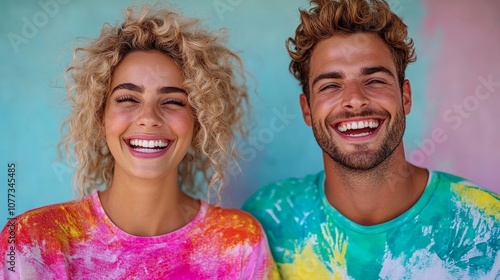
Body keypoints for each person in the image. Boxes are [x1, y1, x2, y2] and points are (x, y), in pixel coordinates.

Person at [0, 5, 278, 279]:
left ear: (199, 123)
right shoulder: (32, 242)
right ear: (100, 117)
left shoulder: (239, 243)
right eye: (128, 99)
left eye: (172, 101)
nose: (148, 118)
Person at [243, 0, 500, 279]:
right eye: (330, 85)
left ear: (405, 97)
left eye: (375, 80)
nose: (355, 99)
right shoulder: (269, 220)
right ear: (307, 109)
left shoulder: (487, 226)